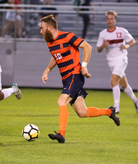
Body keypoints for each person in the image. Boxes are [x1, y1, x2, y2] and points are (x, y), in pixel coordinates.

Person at [40, 14, 120, 144]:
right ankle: (109, 111)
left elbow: (87, 47)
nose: (40, 31)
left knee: (61, 101)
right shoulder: (50, 43)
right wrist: (47, 70)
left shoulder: (67, 36)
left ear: (49, 27)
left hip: (74, 75)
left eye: (42, 28)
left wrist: (84, 66)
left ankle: (61, 134)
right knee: (82, 112)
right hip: (66, 79)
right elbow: (56, 56)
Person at [97, 10, 138, 114]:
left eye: (111, 19)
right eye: (108, 19)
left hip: (122, 59)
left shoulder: (122, 31)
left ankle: (116, 108)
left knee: (113, 80)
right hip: (111, 61)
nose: (109, 21)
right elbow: (99, 49)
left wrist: (127, 46)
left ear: (115, 20)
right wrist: (104, 45)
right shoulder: (103, 34)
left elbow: (133, 41)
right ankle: (135, 100)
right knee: (124, 84)